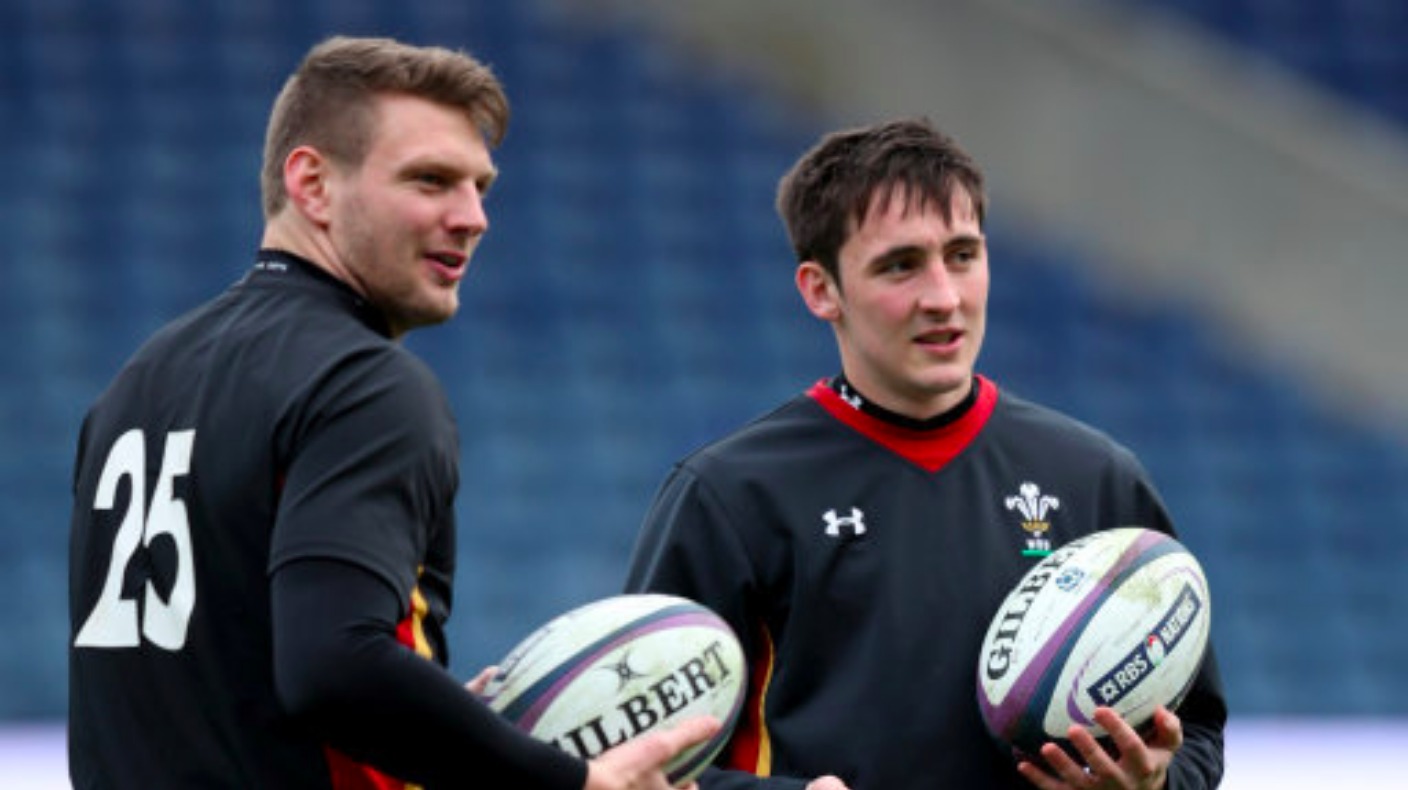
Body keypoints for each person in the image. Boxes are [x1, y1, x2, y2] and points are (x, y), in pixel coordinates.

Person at [68, 35, 716, 790]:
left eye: (481, 186)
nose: (473, 217)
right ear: (312, 184)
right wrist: (573, 783)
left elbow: (224, 683)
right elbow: (334, 669)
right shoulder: (363, 383)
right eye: (431, 180)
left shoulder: (137, 382)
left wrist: (441, 721)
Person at [623, 118, 1226, 789]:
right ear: (821, 290)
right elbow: (638, 765)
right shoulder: (730, 496)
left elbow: (1196, 733)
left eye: (963, 255)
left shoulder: (1094, 478)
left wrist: (1152, 784)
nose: (944, 297)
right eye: (900, 265)